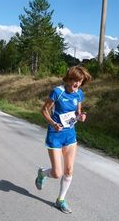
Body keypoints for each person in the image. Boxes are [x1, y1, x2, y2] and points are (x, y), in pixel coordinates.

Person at [35, 66, 91, 214]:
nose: (77, 84)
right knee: (57, 173)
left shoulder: (79, 94)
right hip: (55, 135)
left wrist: (81, 116)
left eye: (80, 81)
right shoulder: (57, 92)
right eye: (75, 80)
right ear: (68, 79)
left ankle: (60, 200)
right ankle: (42, 174)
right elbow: (44, 110)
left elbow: (78, 112)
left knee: (69, 170)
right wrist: (53, 123)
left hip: (70, 135)